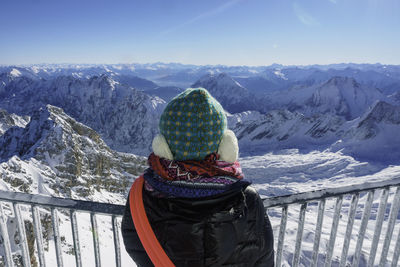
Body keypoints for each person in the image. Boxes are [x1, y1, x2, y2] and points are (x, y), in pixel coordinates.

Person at [121, 88, 274, 267]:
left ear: (163, 146)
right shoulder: (247, 198)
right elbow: (263, 257)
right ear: (225, 145)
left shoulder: (142, 194)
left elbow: (135, 245)